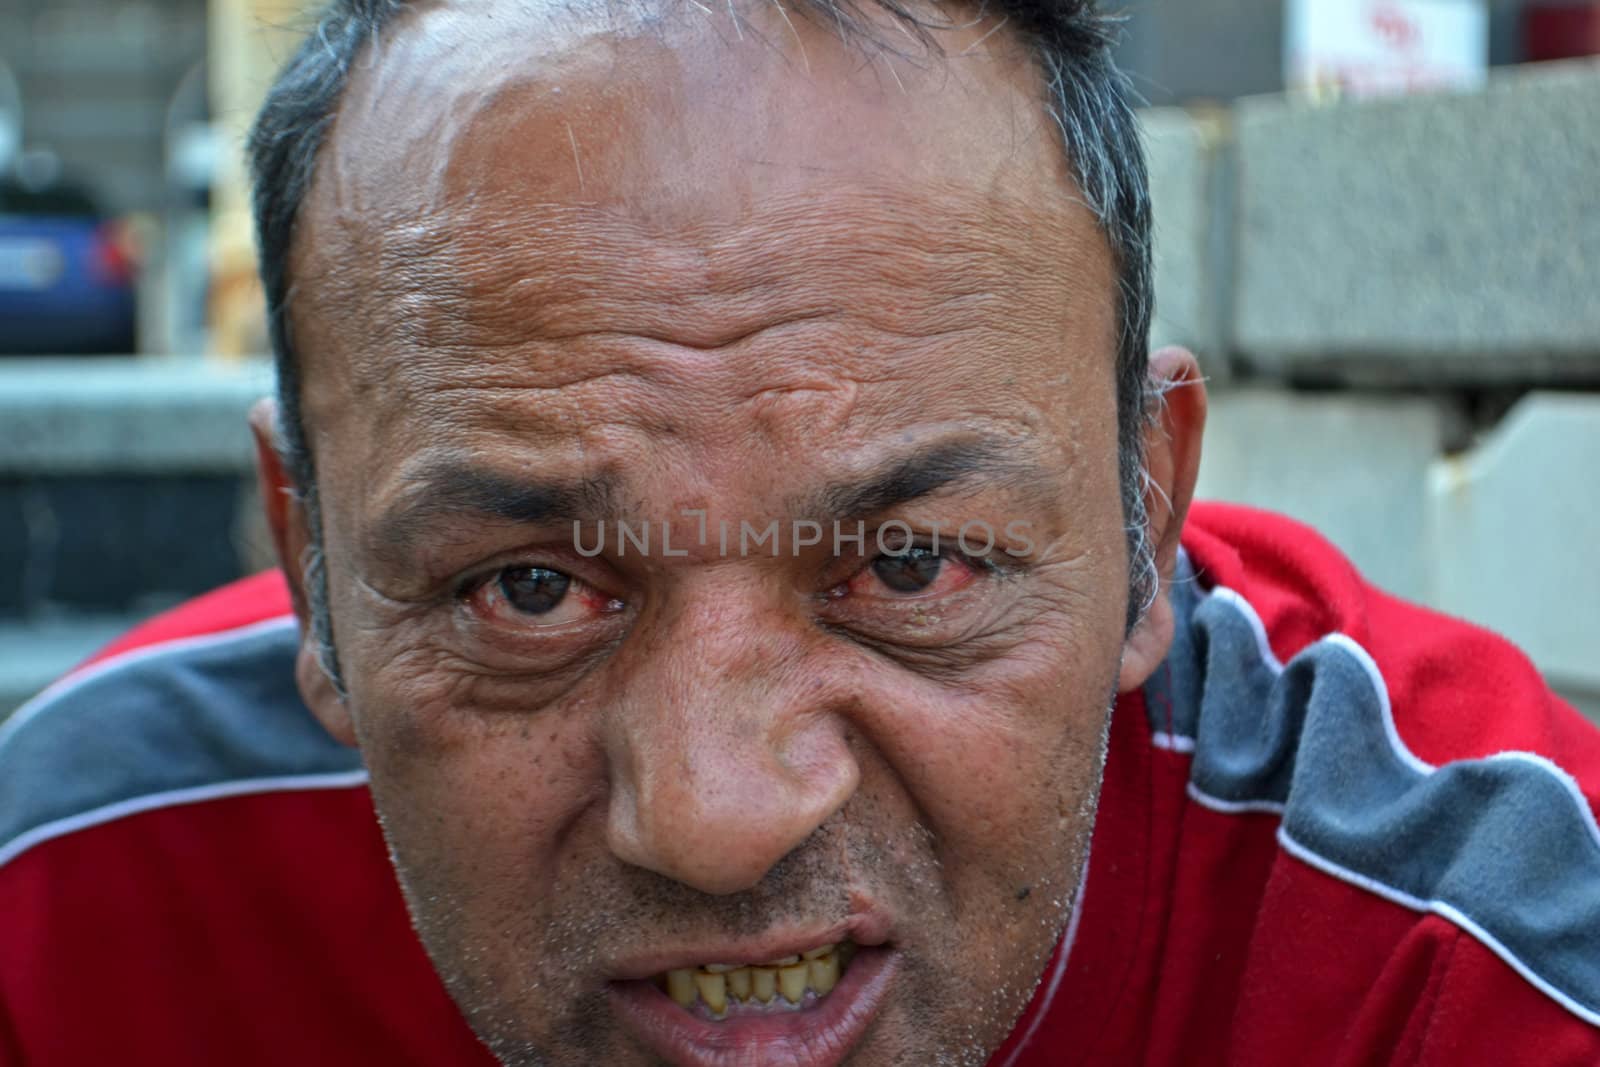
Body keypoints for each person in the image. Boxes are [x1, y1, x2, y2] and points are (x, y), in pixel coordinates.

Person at [2, 0, 1598, 1063]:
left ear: (1145, 512)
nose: (715, 817)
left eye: (912, 565)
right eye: (531, 589)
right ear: (314, 572)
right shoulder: (73, 899)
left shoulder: (1473, 961)